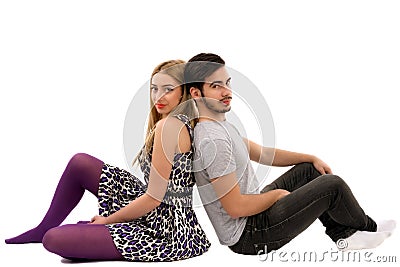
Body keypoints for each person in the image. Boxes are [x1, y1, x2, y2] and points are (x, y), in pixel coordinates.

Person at [184, 53, 396, 255]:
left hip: (255, 211)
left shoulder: (220, 126)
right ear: (196, 93)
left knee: (310, 170)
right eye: (215, 86)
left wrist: (309, 157)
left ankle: (343, 234)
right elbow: (235, 208)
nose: (227, 92)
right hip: (249, 234)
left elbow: (264, 154)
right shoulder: (214, 140)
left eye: (227, 83)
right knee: (333, 185)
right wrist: (276, 196)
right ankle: (368, 228)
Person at [5, 59, 211, 261]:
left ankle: (67, 234)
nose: (159, 96)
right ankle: (44, 228)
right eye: (154, 88)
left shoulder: (170, 126)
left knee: (53, 239)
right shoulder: (178, 123)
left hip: (167, 228)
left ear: (183, 92)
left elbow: (154, 198)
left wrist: (107, 221)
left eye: (168, 89)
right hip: (153, 205)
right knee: (80, 163)